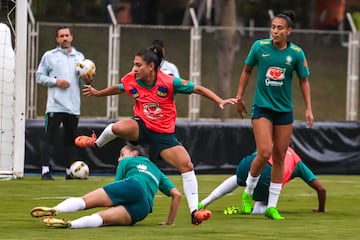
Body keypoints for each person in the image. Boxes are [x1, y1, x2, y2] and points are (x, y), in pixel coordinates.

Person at [74, 45, 238, 225]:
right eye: (134, 65)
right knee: (118, 127)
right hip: (142, 126)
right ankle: (96, 143)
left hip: (163, 136)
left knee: (187, 165)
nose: (134, 69)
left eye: (138, 65)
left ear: (151, 67)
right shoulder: (132, 79)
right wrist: (98, 94)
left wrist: (219, 100)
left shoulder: (169, 82)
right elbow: (119, 88)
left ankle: (194, 212)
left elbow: (197, 89)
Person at [235, 10, 314, 220]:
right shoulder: (259, 47)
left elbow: (304, 81)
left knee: (279, 156)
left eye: (280, 28)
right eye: (273, 27)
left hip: (284, 111)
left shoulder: (296, 53)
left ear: (289, 31)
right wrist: (239, 96)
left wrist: (308, 108)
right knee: (264, 152)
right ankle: (247, 194)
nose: (275, 31)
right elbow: (246, 70)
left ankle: (272, 206)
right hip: (262, 108)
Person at [30, 143, 182, 228]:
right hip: (143, 208)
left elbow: (117, 185)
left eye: (122, 154)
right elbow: (177, 195)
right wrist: (169, 222)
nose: (119, 159)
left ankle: (57, 209)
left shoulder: (128, 161)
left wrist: (112, 202)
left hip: (132, 186)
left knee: (85, 202)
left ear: (134, 153)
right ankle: (71, 224)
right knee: (102, 219)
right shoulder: (157, 171)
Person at [198, 146, 326, 215]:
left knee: (238, 179)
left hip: (248, 162)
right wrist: (321, 209)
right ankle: (250, 211)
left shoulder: (269, 144)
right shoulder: (297, 161)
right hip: (267, 174)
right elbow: (321, 189)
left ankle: (204, 202)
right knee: (266, 199)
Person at [35, 26, 92, 180]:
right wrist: (56, 81)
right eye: (61, 36)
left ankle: (69, 171)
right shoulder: (49, 55)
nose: (64, 38)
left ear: (71, 37)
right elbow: (39, 76)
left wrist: (87, 79)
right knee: (49, 138)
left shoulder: (79, 57)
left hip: (73, 107)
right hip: (55, 105)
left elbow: (81, 83)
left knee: (71, 140)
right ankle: (45, 171)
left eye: (67, 35)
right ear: (57, 39)